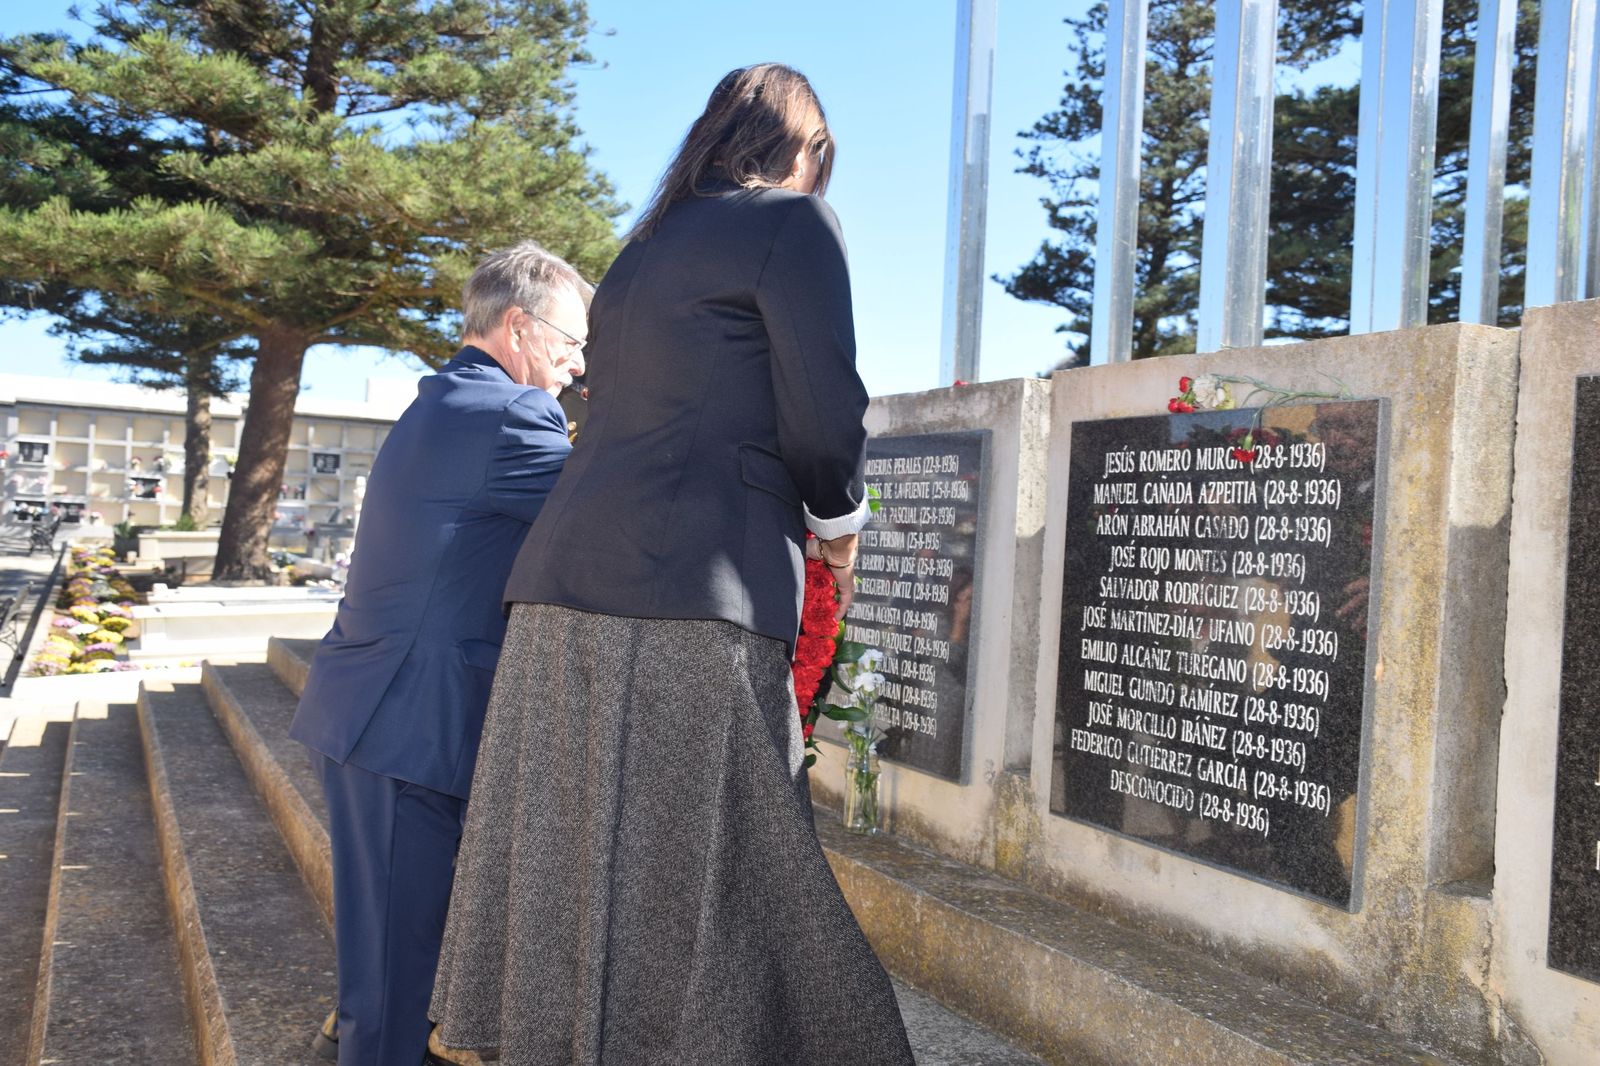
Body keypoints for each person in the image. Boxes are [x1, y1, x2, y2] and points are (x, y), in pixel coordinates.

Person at [429, 64, 915, 1065]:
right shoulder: (791, 224)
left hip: (563, 585)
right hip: (696, 593)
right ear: (796, 148)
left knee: (583, 853)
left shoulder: (640, 250)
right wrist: (841, 524)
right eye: (820, 155)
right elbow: (824, 415)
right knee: (727, 860)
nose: (819, 174)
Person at [288, 240, 588, 1066]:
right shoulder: (509, 415)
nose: (576, 365)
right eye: (571, 343)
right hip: (405, 729)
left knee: (388, 971)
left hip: (380, 717)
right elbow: (605, 526)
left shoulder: (448, 401)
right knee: (392, 992)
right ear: (520, 326)